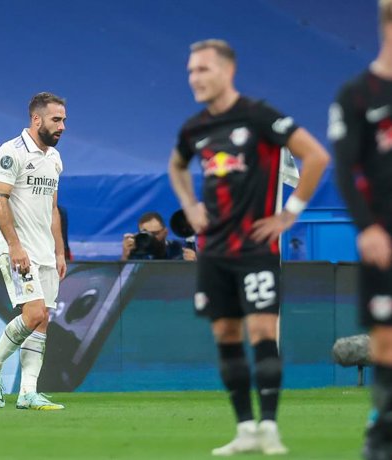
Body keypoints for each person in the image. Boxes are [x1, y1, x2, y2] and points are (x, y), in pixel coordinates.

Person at [168, 39, 329, 455]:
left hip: (256, 247)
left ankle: (271, 427)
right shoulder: (195, 127)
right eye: (190, 71)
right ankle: (244, 429)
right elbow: (176, 164)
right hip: (215, 251)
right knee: (225, 334)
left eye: (203, 69)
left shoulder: (260, 117)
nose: (195, 78)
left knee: (261, 333)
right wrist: (190, 204)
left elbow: (316, 156)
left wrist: (289, 214)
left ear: (227, 71)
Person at [330, 2, 392, 457]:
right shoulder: (357, 94)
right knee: (385, 337)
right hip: (382, 239)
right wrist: (368, 227)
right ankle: (383, 425)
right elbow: (345, 169)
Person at [0, 92, 67, 410]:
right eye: (56, 120)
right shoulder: (10, 153)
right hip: (18, 249)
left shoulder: (54, 159)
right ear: (36, 119)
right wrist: (14, 246)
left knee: (42, 322)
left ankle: (28, 392)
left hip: (44, 251)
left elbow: (53, 208)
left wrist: (59, 251)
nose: (62, 126)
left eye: (64, 120)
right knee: (34, 314)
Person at [121, 211, 196, 261]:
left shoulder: (180, 249)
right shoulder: (137, 252)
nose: (151, 238)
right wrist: (125, 256)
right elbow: (122, 280)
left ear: (165, 232)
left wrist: (194, 264)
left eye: (155, 234)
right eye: (146, 234)